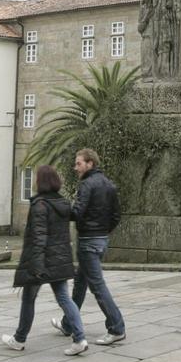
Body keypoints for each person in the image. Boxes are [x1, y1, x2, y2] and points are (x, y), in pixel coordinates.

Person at [2, 165, 88, 356]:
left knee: (28, 299)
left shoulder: (40, 205)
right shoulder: (63, 203)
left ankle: (19, 339)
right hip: (59, 260)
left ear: (41, 182)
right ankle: (80, 338)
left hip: (41, 261)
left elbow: (39, 238)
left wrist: (36, 266)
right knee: (64, 298)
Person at [71, 148, 126, 345]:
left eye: (79, 163)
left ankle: (117, 327)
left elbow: (77, 212)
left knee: (97, 286)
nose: (75, 167)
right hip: (101, 240)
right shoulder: (109, 184)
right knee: (80, 283)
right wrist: (103, 231)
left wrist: (60, 209)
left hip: (88, 241)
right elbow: (116, 215)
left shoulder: (87, 184)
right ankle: (68, 323)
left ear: (90, 164)